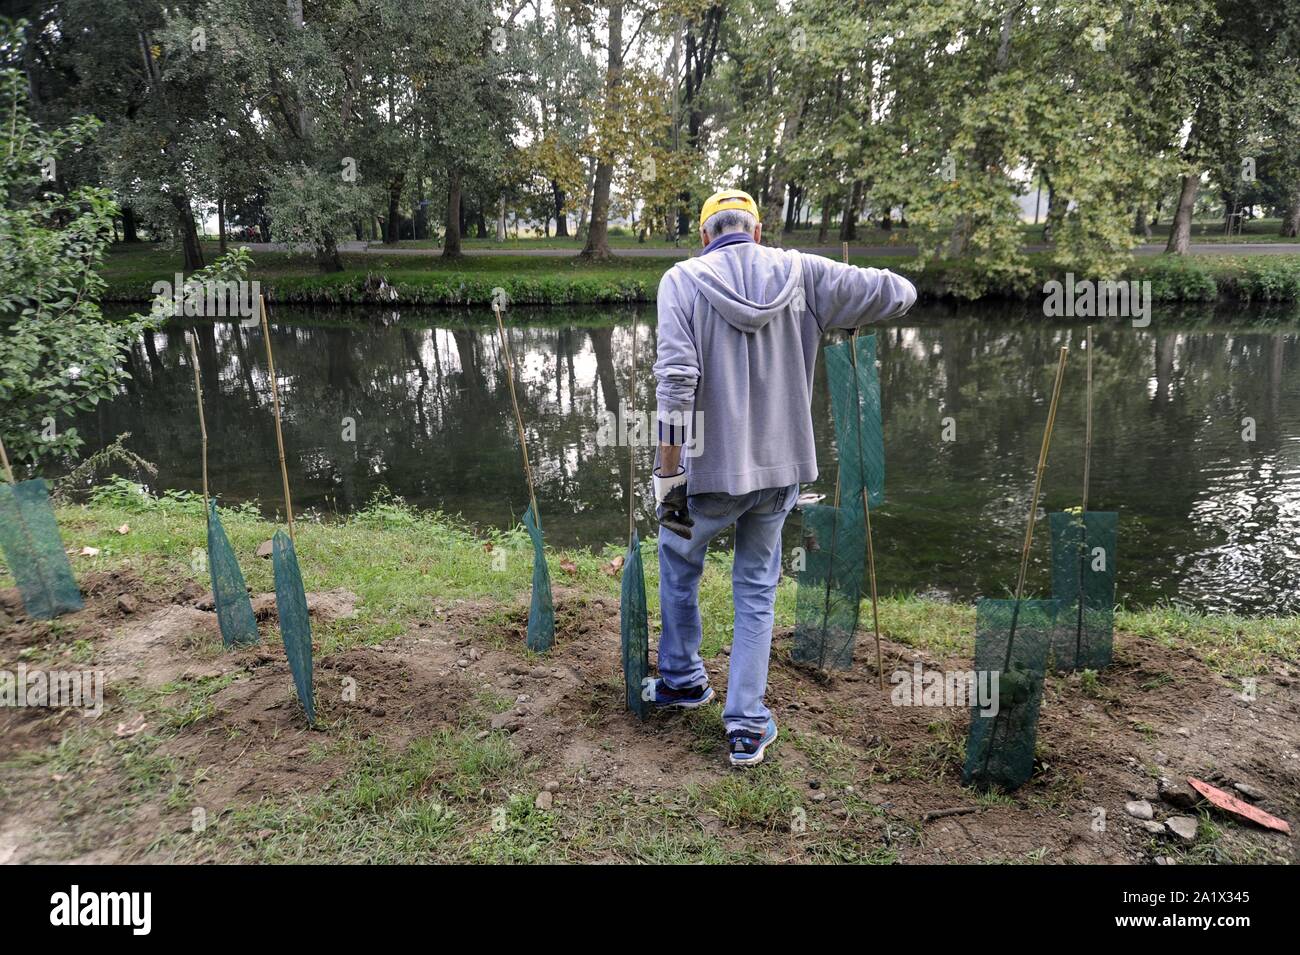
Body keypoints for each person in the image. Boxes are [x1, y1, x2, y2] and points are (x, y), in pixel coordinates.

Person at [651, 188, 916, 766]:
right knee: (756, 587)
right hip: (780, 471)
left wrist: (667, 483)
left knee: (678, 561)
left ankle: (682, 680)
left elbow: (675, 384)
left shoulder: (682, 281)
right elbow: (900, 293)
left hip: (707, 474)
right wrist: (845, 314)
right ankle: (745, 726)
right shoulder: (805, 274)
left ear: (704, 236)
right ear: (758, 230)